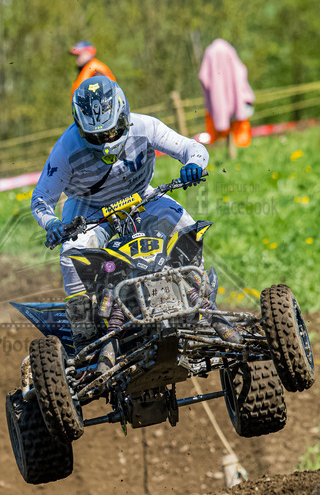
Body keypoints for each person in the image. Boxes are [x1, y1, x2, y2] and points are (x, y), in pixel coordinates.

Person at [32, 75, 208, 350]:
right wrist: (52, 223)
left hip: (142, 196)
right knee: (70, 255)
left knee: (187, 228)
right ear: (80, 128)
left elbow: (190, 147)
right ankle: (84, 332)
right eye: (96, 136)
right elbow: (41, 197)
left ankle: (202, 299)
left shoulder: (145, 126)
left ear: (124, 116)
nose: (105, 140)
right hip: (89, 209)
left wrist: (194, 164)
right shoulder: (66, 148)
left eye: (111, 131)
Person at [198, 38, 256, 158]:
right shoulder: (230, 50)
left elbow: (203, 76)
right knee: (235, 126)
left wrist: (210, 97)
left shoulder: (210, 52)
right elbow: (242, 71)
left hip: (218, 99)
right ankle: (233, 156)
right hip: (236, 99)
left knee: (224, 124)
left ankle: (232, 155)